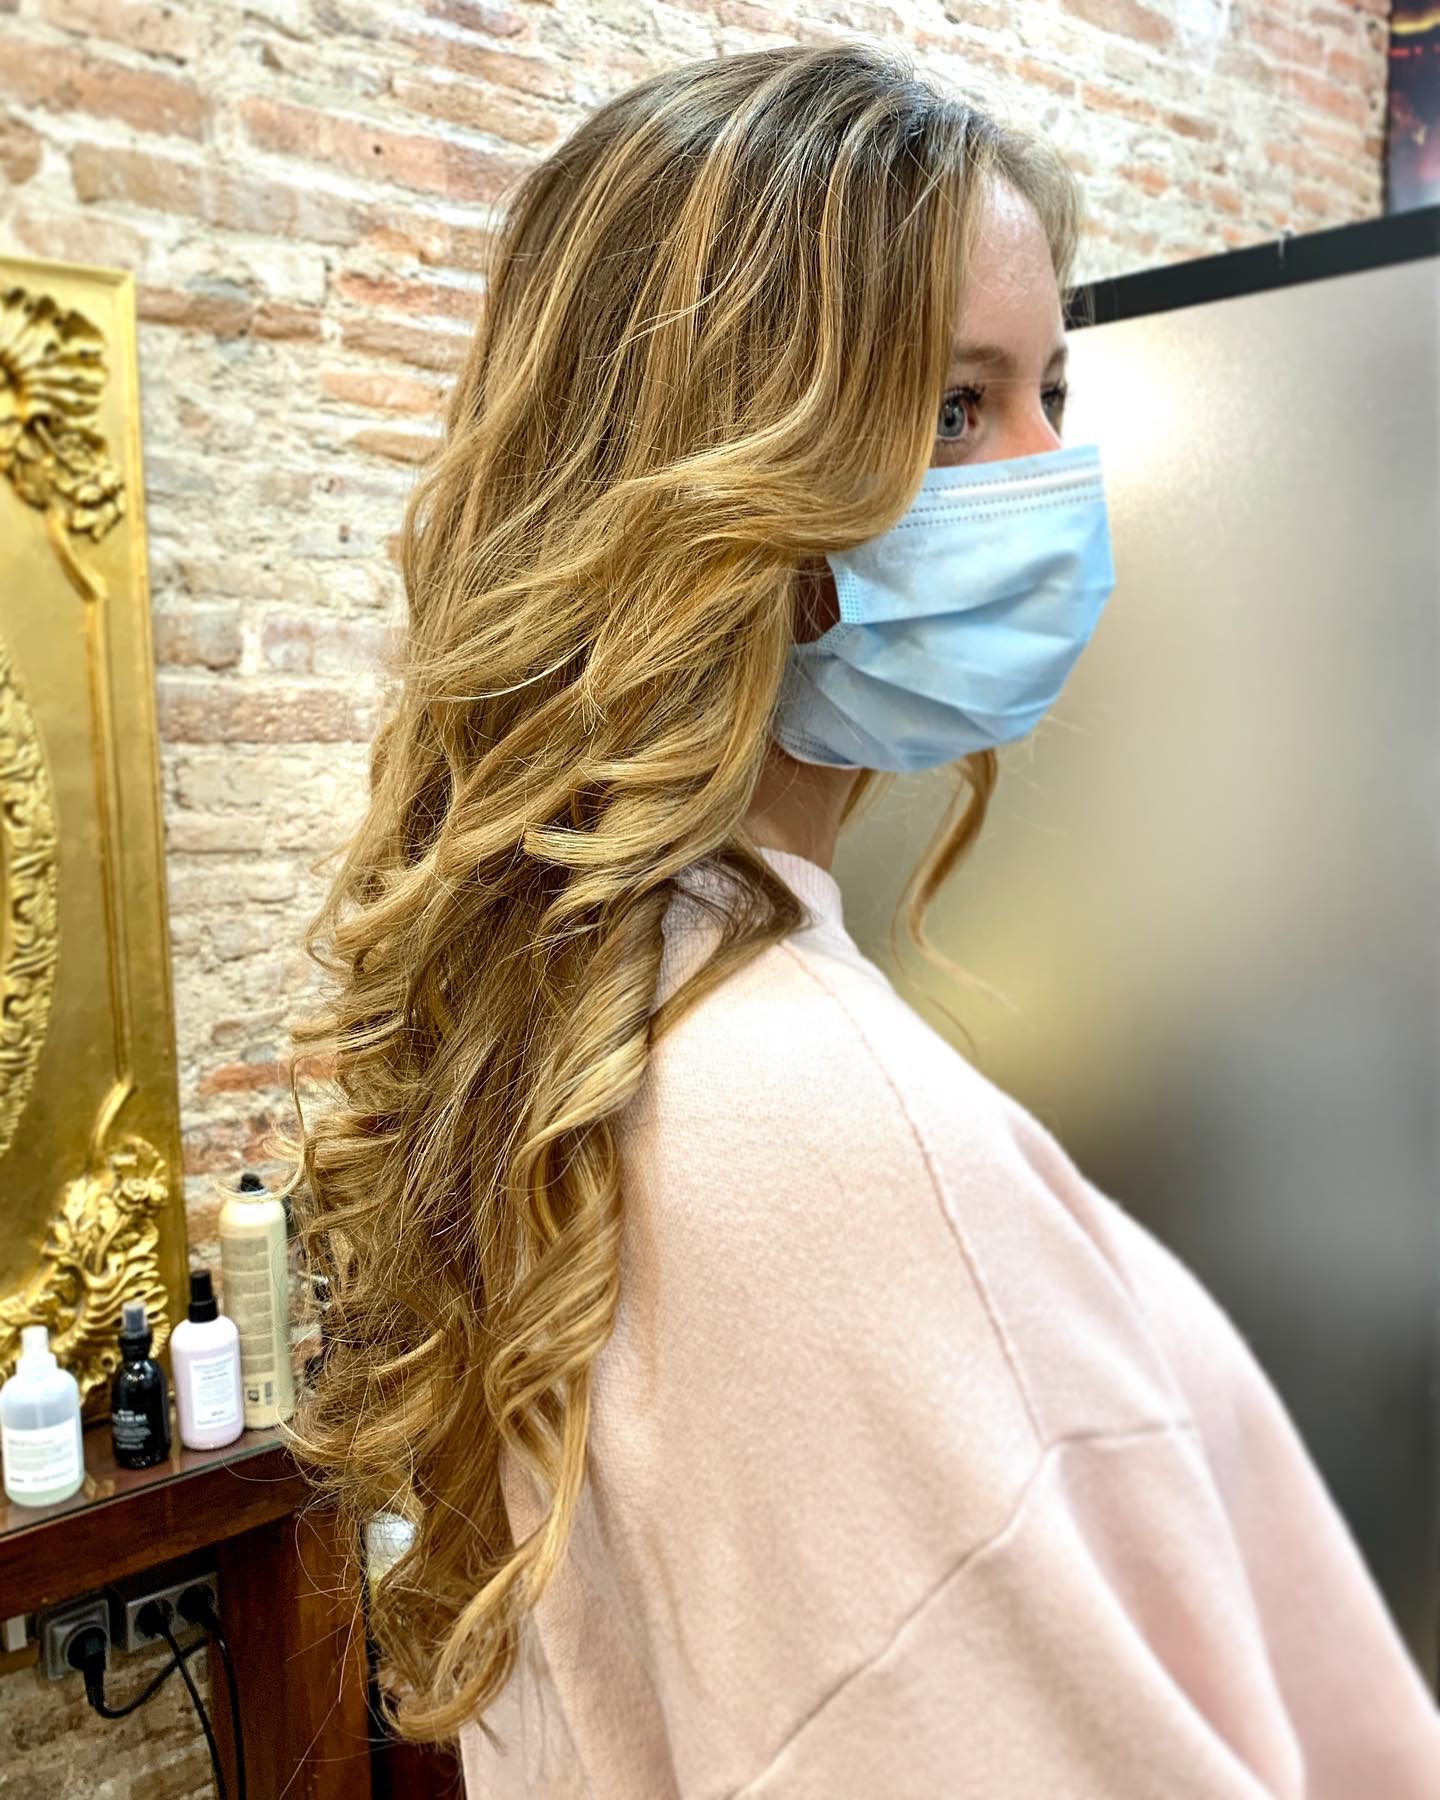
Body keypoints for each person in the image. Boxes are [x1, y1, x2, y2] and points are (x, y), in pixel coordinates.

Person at [283, 42, 1440, 1799]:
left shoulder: (586, 1014)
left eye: (1053, 389)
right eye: (958, 409)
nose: (1055, 475)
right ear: (715, 477)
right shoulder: (823, 1133)